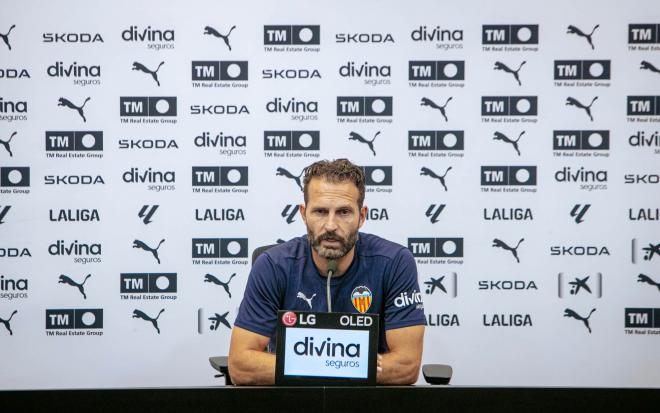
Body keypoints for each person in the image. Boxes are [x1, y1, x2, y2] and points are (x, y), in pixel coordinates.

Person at [229, 159, 425, 385]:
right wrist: (346, 364)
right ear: (303, 214)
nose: (331, 225)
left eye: (343, 212)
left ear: (362, 216)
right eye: (320, 211)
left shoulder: (395, 263)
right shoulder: (272, 266)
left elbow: (406, 366)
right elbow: (241, 366)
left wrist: (305, 364)